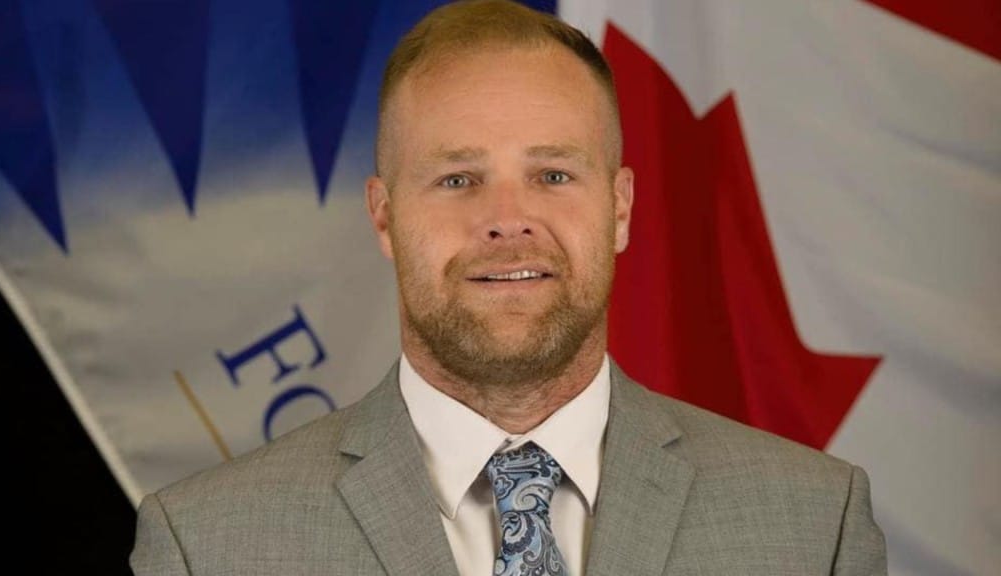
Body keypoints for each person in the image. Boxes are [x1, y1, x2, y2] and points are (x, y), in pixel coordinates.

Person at [130, 1, 887, 574]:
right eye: (458, 178)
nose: (507, 220)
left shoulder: (814, 525)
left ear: (619, 208)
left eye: (553, 175)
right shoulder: (207, 547)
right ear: (385, 218)